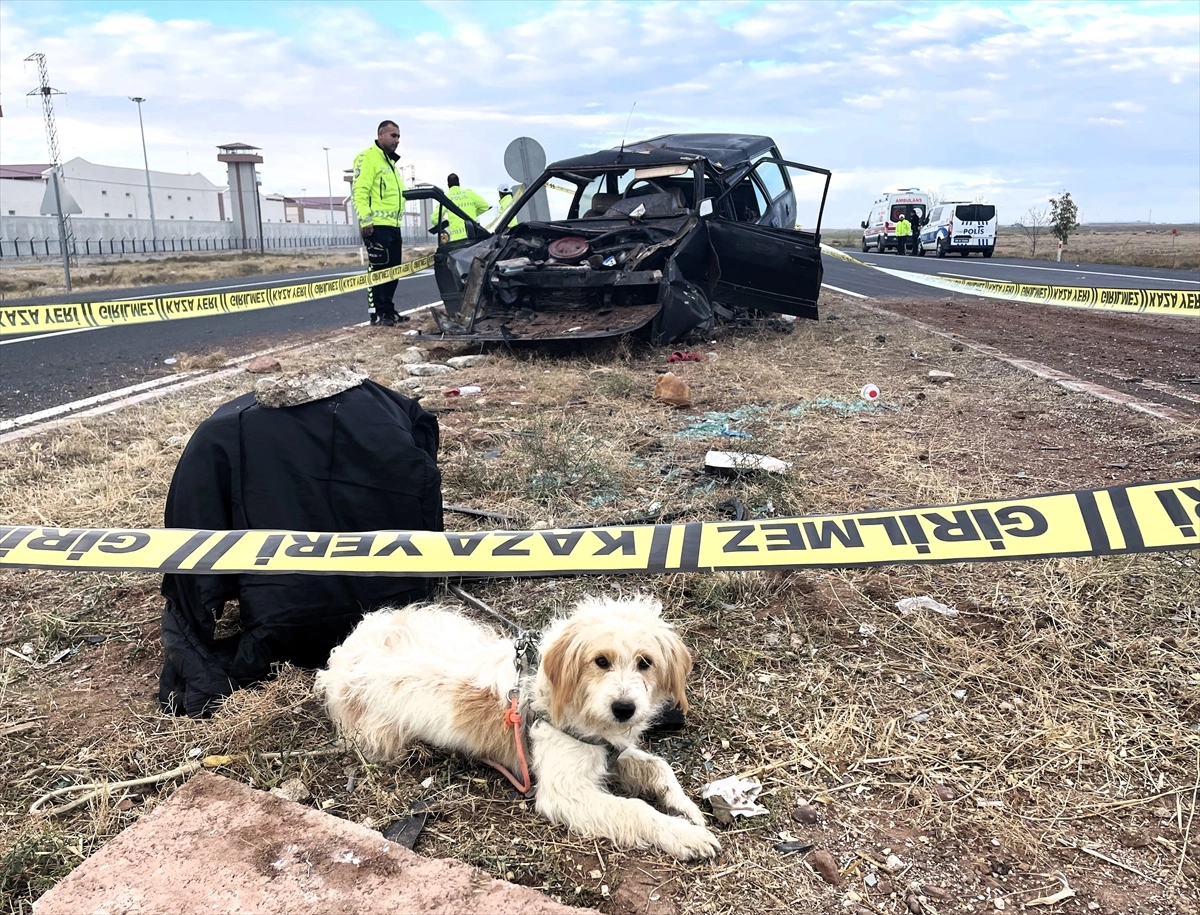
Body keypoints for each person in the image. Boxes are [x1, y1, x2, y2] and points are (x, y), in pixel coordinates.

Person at [352, 120, 406, 326]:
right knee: (379, 270)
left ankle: (389, 311)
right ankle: (377, 314)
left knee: (394, 270)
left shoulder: (390, 163)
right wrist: (365, 219)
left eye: (399, 136)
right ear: (380, 135)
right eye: (393, 136)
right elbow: (360, 190)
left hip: (393, 226)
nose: (397, 140)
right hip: (376, 226)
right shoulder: (368, 158)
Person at [431, 173, 490, 243]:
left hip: (458, 241)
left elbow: (434, 219)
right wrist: (472, 214)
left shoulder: (446, 198)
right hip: (473, 237)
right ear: (459, 183)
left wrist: (443, 229)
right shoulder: (469, 194)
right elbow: (485, 206)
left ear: (448, 185)